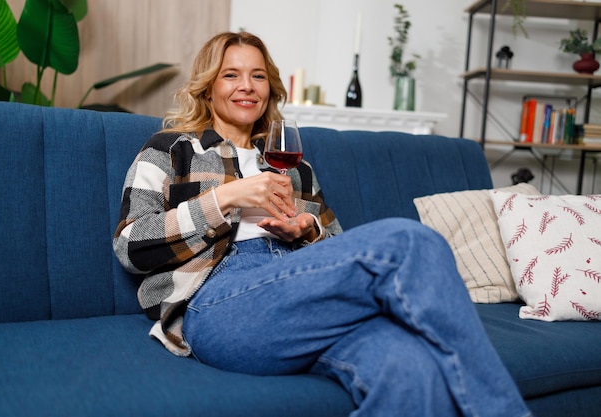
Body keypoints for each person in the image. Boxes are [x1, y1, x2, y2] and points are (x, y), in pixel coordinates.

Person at [113, 31, 531, 417]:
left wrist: (308, 231)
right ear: (208, 85)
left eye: (258, 76)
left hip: (301, 296)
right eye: (231, 75)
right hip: (220, 305)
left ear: (270, 87)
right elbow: (130, 246)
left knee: (409, 365)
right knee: (410, 242)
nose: (247, 86)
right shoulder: (169, 149)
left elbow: (341, 250)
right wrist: (224, 198)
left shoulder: (294, 164)